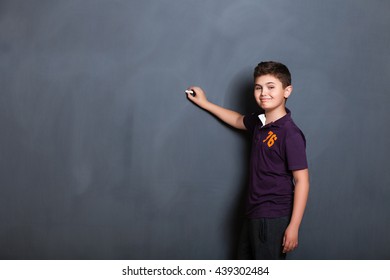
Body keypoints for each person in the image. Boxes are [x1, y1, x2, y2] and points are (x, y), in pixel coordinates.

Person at [186, 61, 309, 260]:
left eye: (271, 87)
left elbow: (302, 180)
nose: (263, 93)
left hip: (273, 215)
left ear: (287, 91)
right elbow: (237, 119)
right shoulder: (260, 122)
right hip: (253, 212)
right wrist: (204, 103)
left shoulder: (290, 133)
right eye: (258, 87)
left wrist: (294, 226)